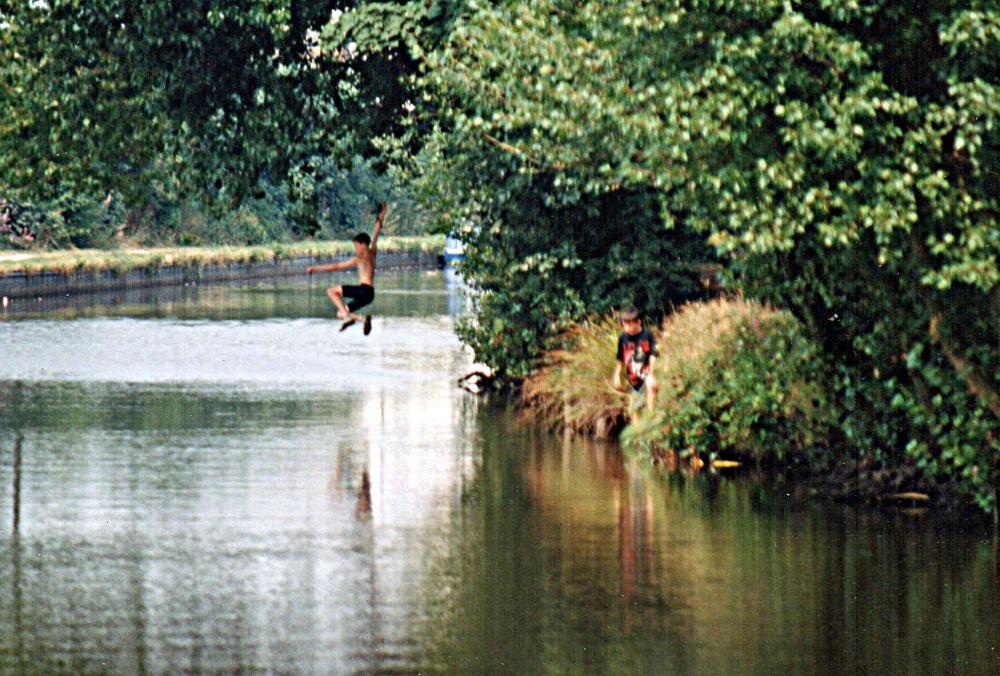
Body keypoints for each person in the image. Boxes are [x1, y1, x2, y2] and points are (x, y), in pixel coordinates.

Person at [307, 202, 387, 334]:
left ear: (363, 244)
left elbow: (336, 266)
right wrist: (383, 213)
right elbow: (377, 231)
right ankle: (361, 319)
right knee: (340, 313)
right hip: (370, 295)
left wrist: (315, 269)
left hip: (364, 290)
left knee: (332, 291)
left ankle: (348, 317)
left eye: (356, 246)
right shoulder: (373, 254)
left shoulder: (361, 258)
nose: (355, 249)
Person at [611, 307, 658, 410]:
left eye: (629, 324)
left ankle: (652, 415)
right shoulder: (622, 338)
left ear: (638, 322)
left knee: (650, 385)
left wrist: (651, 374)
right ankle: (641, 424)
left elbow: (653, 354)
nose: (626, 327)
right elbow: (620, 358)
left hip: (645, 374)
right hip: (633, 380)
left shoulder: (647, 335)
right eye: (624, 324)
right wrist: (617, 374)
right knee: (633, 410)